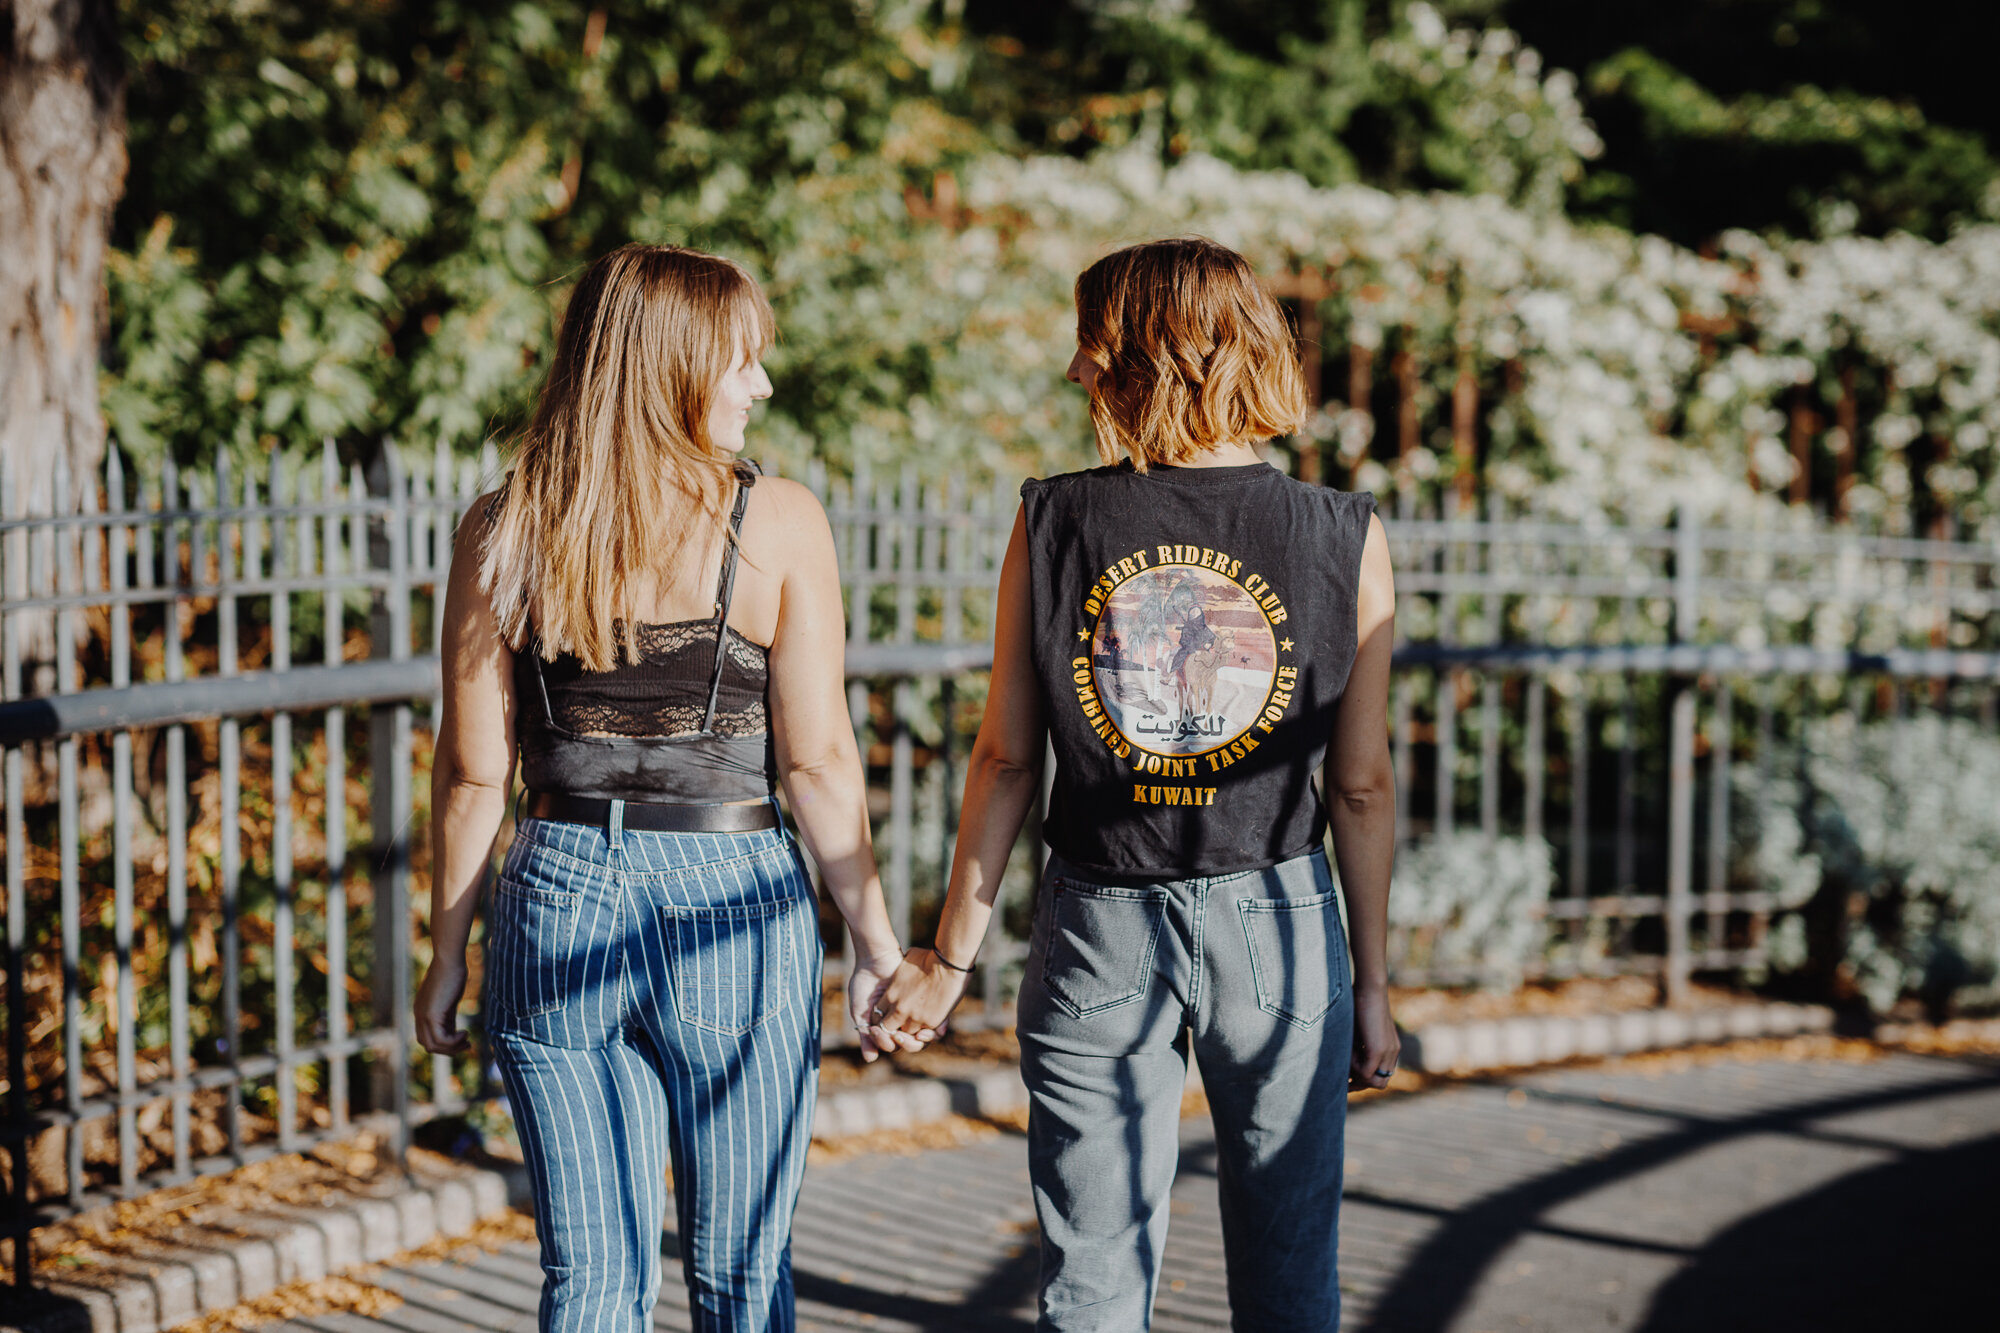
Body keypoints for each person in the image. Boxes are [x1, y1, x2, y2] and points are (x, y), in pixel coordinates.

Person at [876, 237, 1400, 1332]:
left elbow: (1006, 757)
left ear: (1146, 355)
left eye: (1092, 343)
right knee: (1291, 1280)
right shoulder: (1340, 533)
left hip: (1097, 921)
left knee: (1092, 1284)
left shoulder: (1053, 517)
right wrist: (1373, 982)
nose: (1075, 372)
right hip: (1278, 923)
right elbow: (1357, 786)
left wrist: (947, 957)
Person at [413, 243, 921, 1333]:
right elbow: (817, 761)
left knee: (589, 1279)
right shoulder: (775, 519)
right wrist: (875, 940)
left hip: (554, 894)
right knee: (740, 1279)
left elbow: (471, 773)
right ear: (674, 364)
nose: (761, 385)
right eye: (742, 361)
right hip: (730, 900)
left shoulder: (502, 527)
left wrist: (447, 949)